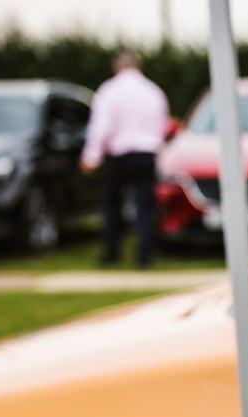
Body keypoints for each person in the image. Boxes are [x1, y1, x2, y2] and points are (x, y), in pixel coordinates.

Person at [82, 52, 170, 268]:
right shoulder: (154, 91)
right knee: (144, 206)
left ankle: (113, 253)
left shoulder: (109, 90)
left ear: (116, 67)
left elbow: (101, 127)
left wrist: (91, 156)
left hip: (120, 156)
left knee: (112, 205)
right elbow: (162, 126)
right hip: (147, 155)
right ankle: (144, 256)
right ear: (140, 67)